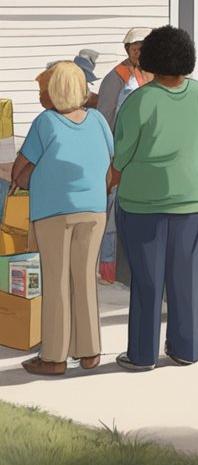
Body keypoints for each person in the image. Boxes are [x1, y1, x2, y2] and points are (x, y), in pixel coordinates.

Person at [110, 26, 198, 371]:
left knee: (147, 280)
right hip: (189, 197)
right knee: (185, 278)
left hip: (143, 200)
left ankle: (142, 354)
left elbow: (121, 154)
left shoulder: (139, 99)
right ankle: (185, 348)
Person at [11, 62, 113, 375]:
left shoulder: (46, 122)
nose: (40, 94)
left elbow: (19, 171)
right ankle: (89, 351)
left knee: (55, 282)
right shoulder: (96, 119)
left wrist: (28, 176)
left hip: (53, 212)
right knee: (83, 280)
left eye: (43, 88)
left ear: (55, 90)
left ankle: (54, 356)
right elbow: (110, 158)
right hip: (93, 209)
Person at [93, 26, 152, 284]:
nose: (140, 53)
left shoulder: (152, 73)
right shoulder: (115, 78)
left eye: (144, 48)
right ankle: (108, 268)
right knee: (113, 215)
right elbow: (105, 118)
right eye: (135, 48)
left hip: (143, 157)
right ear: (127, 50)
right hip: (119, 155)